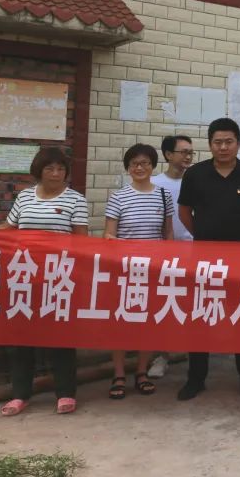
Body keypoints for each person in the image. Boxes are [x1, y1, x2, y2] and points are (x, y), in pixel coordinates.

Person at [0, 147, 90, 416]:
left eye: (61, 169)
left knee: (61, 337)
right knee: (22, 338)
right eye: (50, 168)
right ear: (39, 171)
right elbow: (8, 228)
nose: (56, 173)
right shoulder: (25, 197)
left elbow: (81, 239)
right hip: (24, 275)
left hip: (58, 277)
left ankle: (65, 393)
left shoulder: (75, 200)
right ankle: (20, 395)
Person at [176, 118, 240, 401]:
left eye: (228, 142)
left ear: (238, 144)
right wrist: (202, 235)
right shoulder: (195, 174)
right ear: (210, 144)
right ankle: (196, 378)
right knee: (200, 317)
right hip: (203, 257)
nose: (223, 147)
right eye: (217, 142)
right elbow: (184, 211)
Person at [103, 143, 172, 399]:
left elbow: (168, 234)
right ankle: (119, 374)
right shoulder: (118, 197)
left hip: (153, 271)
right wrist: (130, 248)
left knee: (147, 322)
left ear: (153, 166)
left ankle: (142, 372)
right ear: (128, 168)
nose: (139, 168)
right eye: (134, 164)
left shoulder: (163, 195)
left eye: (145, 163)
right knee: (120, 323)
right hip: (124, 270)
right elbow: (108, 235)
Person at [148, 135, 193, 377]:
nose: (188, 156)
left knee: (192, 305)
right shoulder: (155, 183)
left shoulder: (195, 181)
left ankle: (194, 354)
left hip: (193, 252)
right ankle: (160, 356)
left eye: (190, 152)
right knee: (163, 304)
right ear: (168, 155)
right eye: (183, 152)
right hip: (163, 254)